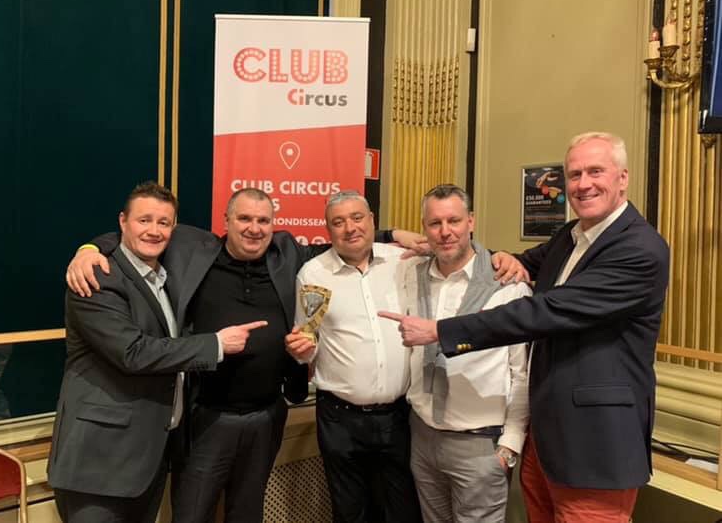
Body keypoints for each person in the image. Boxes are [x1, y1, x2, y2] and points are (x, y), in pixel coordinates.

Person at [64, 188, 422, 523]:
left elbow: (346, 237)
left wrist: (391, 235)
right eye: (244, 219)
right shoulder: (193, 250)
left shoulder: (287, 254)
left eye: (263, 220)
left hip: (267, 416)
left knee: (247, 514)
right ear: (227, 220)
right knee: (191, 514)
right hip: (206, 418)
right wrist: (89, 249)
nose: (254, 228)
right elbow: (139, 234)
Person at [380, 132, 670, 523]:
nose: (583, 184)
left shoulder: (639, 249)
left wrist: (441, 331)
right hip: (546, 438)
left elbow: (546, 310)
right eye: (574, 174)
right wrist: (490, 255)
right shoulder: (570, 236)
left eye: (595, 172)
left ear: (623, 178)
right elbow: (519, 261)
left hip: (595, 443)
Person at [48, 182, 265, 523]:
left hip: (148, 461)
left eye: (163, 222)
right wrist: (216, 344)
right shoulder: (97, 276)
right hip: (99, 464)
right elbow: (132, 352)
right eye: (144, 220)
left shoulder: (164, 277)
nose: (154, 230)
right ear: (123, 222)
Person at [285, 191, 423, 523]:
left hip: (399, 417)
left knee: (403, 511)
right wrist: (301, 351)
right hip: (340, 420)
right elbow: (308, 337)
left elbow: (454, 250)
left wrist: (501, 258)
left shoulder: (403, 261)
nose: (350, 228)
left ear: (372, 220)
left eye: (357, 218)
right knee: (350, 512)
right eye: (339, 222)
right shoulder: (312, 274)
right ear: (328, 229)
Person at [404, 184, 529, 523]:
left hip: (480, 445)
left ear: (471, 221)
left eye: (454, 221)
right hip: (422, 435)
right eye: (435, 223)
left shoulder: (507, 285)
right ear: (424, 227)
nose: (445, 232)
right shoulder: (411, 276)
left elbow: (521, 374)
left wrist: (510, 445)